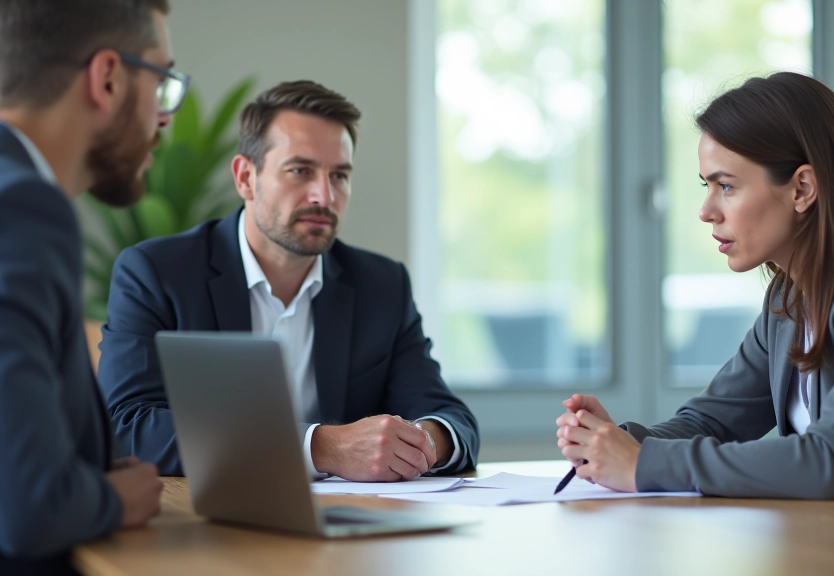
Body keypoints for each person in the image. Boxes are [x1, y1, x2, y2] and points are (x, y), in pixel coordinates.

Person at [555, 72, 834, 516]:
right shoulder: (789, 298)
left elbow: (830, 461)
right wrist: (615, 441)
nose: (706, 211)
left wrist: (641, 464)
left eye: (726, 186)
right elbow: (712, 421)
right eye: (706, 186)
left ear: (802, 188)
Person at [98, 80, 479, 480]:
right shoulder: (157, 273)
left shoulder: (382, 285)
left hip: (352, 529)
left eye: (339, 176)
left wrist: (419, 442)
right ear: (246, 177)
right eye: (301, 171)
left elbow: (452, 420)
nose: (324, 197)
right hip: (209, 524)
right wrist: (321, 448)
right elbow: (125, 426)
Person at [0, 0, 188, 573]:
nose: (164, 116)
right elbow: (31, 506)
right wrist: (115, 496)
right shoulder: (22, 208)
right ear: (107, 78)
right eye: (162, 82)